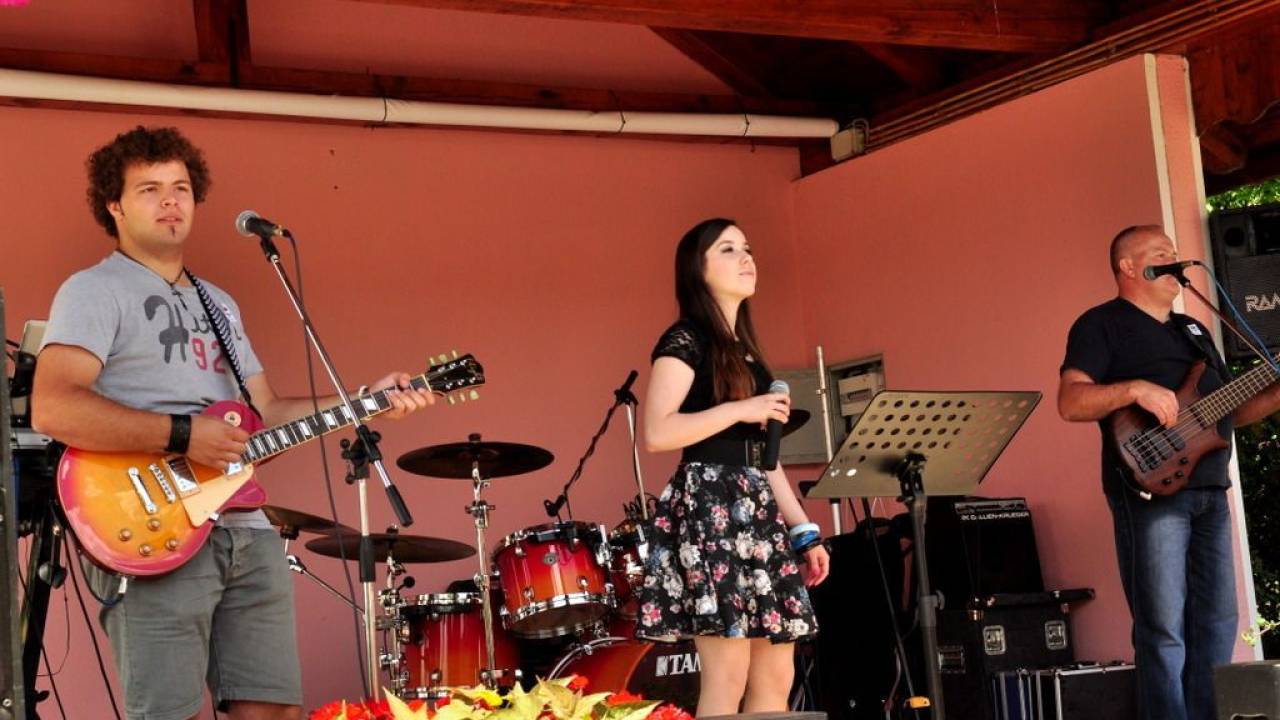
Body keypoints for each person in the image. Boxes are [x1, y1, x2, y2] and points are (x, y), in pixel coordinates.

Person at [32, 126, 435, 720]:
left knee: (273, 710)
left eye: (180, 188)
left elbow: (266, 415)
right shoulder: (93, 290)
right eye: (149, 189)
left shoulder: (218, 303)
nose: (170, 201)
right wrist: (182, 435)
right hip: (153, 524)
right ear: (114, 205)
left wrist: (364, 399)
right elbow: (54, 407)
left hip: (246, 529)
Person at [1058, 225, 1280, 720]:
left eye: (1176, 253)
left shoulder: (1194, 331)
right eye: (1161, 253)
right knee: (1162, 628)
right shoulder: (1101, 324)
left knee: (1217, 622)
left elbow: (1227, 414)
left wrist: (1275, 392)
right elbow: (1070, 401)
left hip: (1210, 491)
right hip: (1151, 492)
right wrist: (1134, 389)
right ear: (1128, 267)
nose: (1175, 260)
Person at [637, 218, 830, 717]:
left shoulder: (747, 353)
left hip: (756, 508)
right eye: (727, 249)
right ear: (697, 269)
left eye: (747, 248)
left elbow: (765, 458)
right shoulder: (685, 338)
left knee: (777, 672)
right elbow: (657, 432)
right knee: (728, 671)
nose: (746, 258)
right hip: (710, 505)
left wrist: (803, 530)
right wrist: (740, 410)